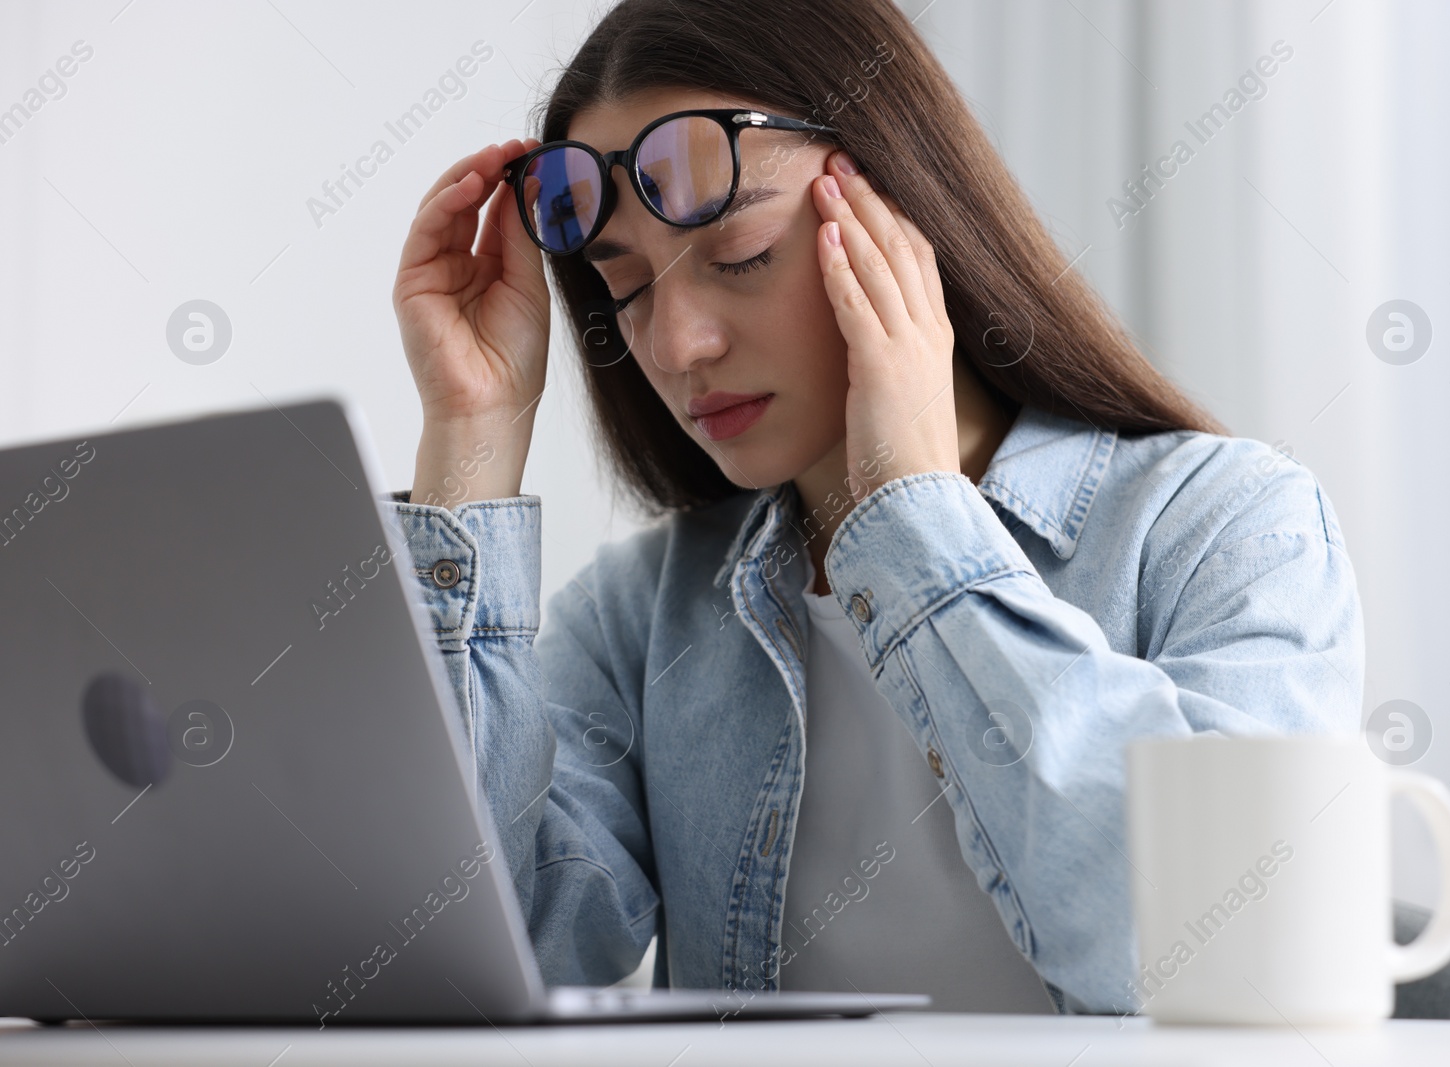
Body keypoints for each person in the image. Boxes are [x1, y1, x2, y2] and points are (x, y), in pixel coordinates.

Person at [384, 0, 1363, 1015]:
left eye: (740, 256)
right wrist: (472, 430)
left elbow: (1183, 948)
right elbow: (460, 966)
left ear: (906, 209)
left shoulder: (1229, 527)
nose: (675, 343)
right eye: (623, 284)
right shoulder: (639, 618)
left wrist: (907, 513)